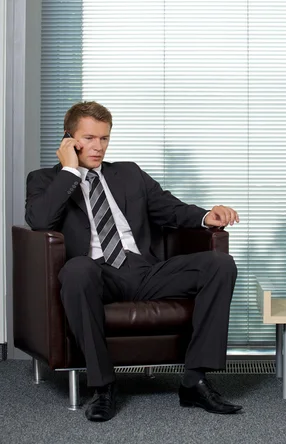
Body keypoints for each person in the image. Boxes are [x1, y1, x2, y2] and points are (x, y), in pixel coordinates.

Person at [25, 101, 242, 422]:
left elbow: (170, 209)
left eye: (104, 138)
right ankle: (103, 386)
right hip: (95, 275)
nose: (98, 147)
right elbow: (40, 222)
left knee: (220, 265)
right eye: (88, 138)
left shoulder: (128, 173)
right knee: (77, 269)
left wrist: (207, 215)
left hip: (144, 271)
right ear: (68, 139)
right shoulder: (45, 180)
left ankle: (194, 380)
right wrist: (70, 171)